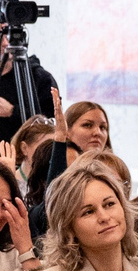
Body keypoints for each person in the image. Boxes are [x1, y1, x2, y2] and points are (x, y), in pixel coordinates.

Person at [26, 101, 114, 240]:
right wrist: (60, 138)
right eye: (87, 125)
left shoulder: (112, 171)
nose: (97, 133)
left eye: (103, 127)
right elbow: (56, 200)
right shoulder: (38, 214)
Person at [0, 20, 59, 145]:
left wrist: (12, 111)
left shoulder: (39, 77)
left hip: (27, 154)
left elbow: (54, 122)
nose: (5, 43)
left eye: (10, 37)